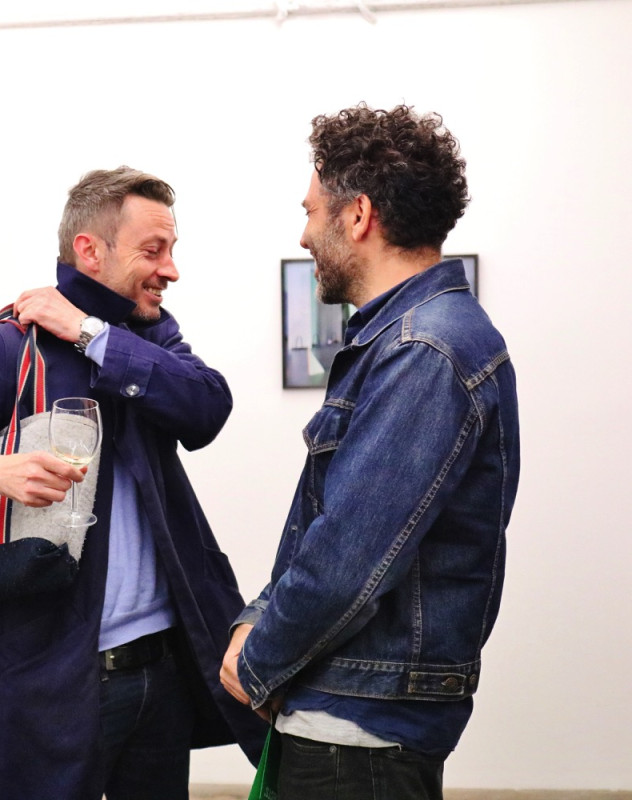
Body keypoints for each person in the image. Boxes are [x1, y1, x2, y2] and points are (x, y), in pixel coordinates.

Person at [0, 166, 266, 799]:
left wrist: (90, 333)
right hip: (53, 681)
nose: (171, 270)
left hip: (163, 674)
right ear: (90, 250)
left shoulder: (150, 332)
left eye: (172, 250)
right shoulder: (9, 345)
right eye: (153, 250)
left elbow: (207, 408)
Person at [220, 104, 521, 799]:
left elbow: (348, 558)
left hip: (356, 737)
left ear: (357, 215)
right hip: (346, 717)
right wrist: (257, 622)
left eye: (310, 210)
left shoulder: (425, 349)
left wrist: (256, 660)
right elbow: (327, 528)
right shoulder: (408, 340)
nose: (303, 232)